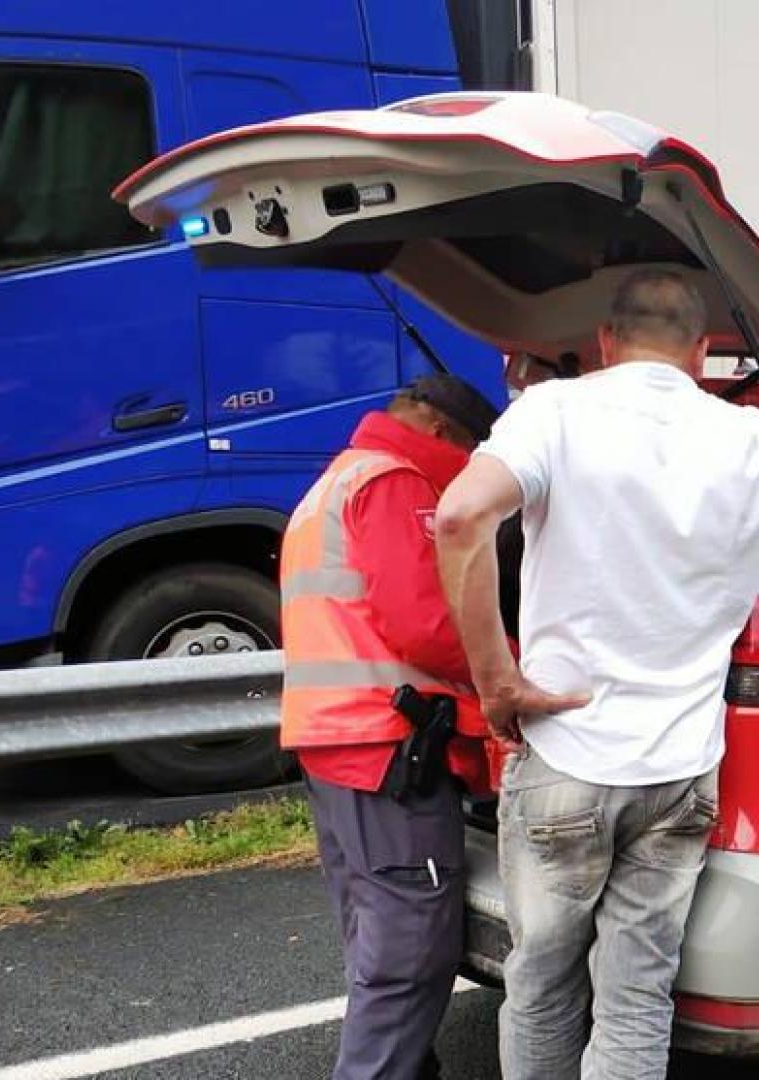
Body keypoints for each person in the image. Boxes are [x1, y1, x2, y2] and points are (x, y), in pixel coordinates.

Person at [434, 270, 759, 1078]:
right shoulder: (756, 443)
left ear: (607, 343)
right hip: (681, 771)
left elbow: (463, 517)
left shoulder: (554, 413)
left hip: (566, 754)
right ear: (701, 351)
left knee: (541, 985)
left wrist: (496, 682)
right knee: (638, 996)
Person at [279, 373, 501, 1080]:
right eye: (470, 456)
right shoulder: (397, 482)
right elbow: (427, 626)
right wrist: (512, 672)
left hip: (334, 743)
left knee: (376, 936)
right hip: (387, 750)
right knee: (410, 948)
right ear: (443, 434)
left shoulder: (334, 483)